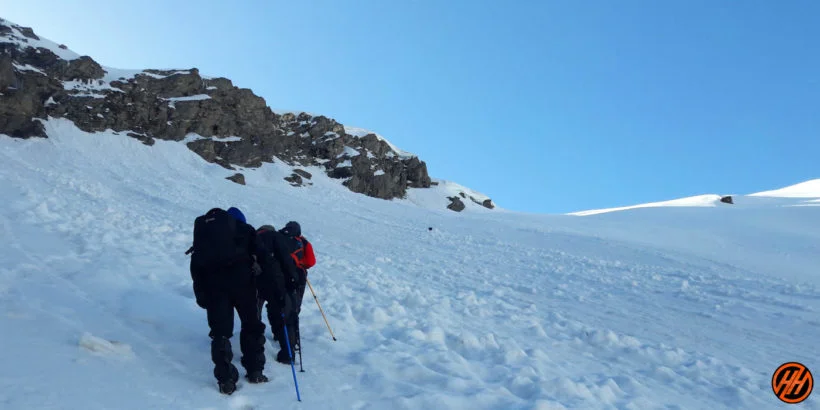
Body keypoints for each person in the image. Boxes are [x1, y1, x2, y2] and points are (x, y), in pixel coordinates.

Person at [189, 207, 270, 395]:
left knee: (220, 333)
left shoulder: (206, 236)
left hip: (215, 288)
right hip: (244, 284)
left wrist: (202, 295)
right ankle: (255, 371)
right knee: (251, 325)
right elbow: (264, 257)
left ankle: (226, 380)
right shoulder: (245, 230)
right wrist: (271, 287)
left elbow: (196, 268)